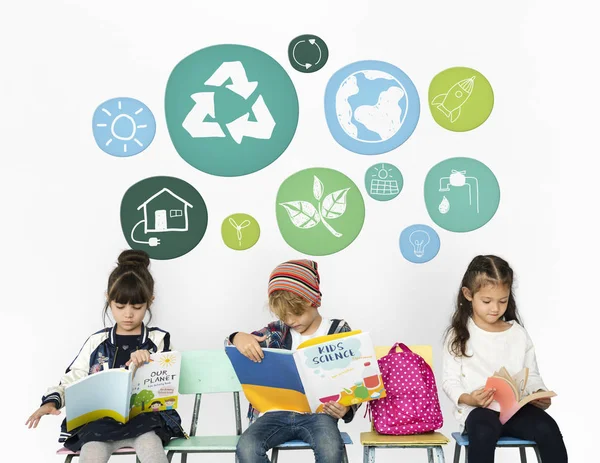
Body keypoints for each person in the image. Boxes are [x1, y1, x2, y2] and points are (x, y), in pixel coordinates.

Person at [26, 250, 185, 463]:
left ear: (150, 301)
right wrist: (51, 401)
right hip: (100, 424)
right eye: (120, 306)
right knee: (91, 452)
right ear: (108, 300)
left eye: (137, 307)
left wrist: (150, 360)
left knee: (151, 447)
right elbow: (73, 378)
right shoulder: (96, 342)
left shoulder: (158, 339)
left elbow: (170, 380)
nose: (128, 314)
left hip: (145, 422)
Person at [442, 255, 567, 462]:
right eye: (487, 301)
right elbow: (450, 381)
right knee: (483, 432)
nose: (495, 308)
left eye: (503, 301)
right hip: (478, 411)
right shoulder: (460, 334)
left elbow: (531, 374)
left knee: (548, 428)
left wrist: (538, 393)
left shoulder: (517, 333)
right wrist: (469, 399)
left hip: (514, 410)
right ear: (468, 294)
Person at [228, 259, 356, 463]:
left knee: (331, 449)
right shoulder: (277, 331)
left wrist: (347, 408)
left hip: (319, 415)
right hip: (274, 414)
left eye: (296, 313)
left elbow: (353, 376)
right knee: (247, 447)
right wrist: (237, 337)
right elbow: (235, 345)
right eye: (284, 316)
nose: (291, 321)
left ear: (314, 300)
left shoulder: (338, 331)